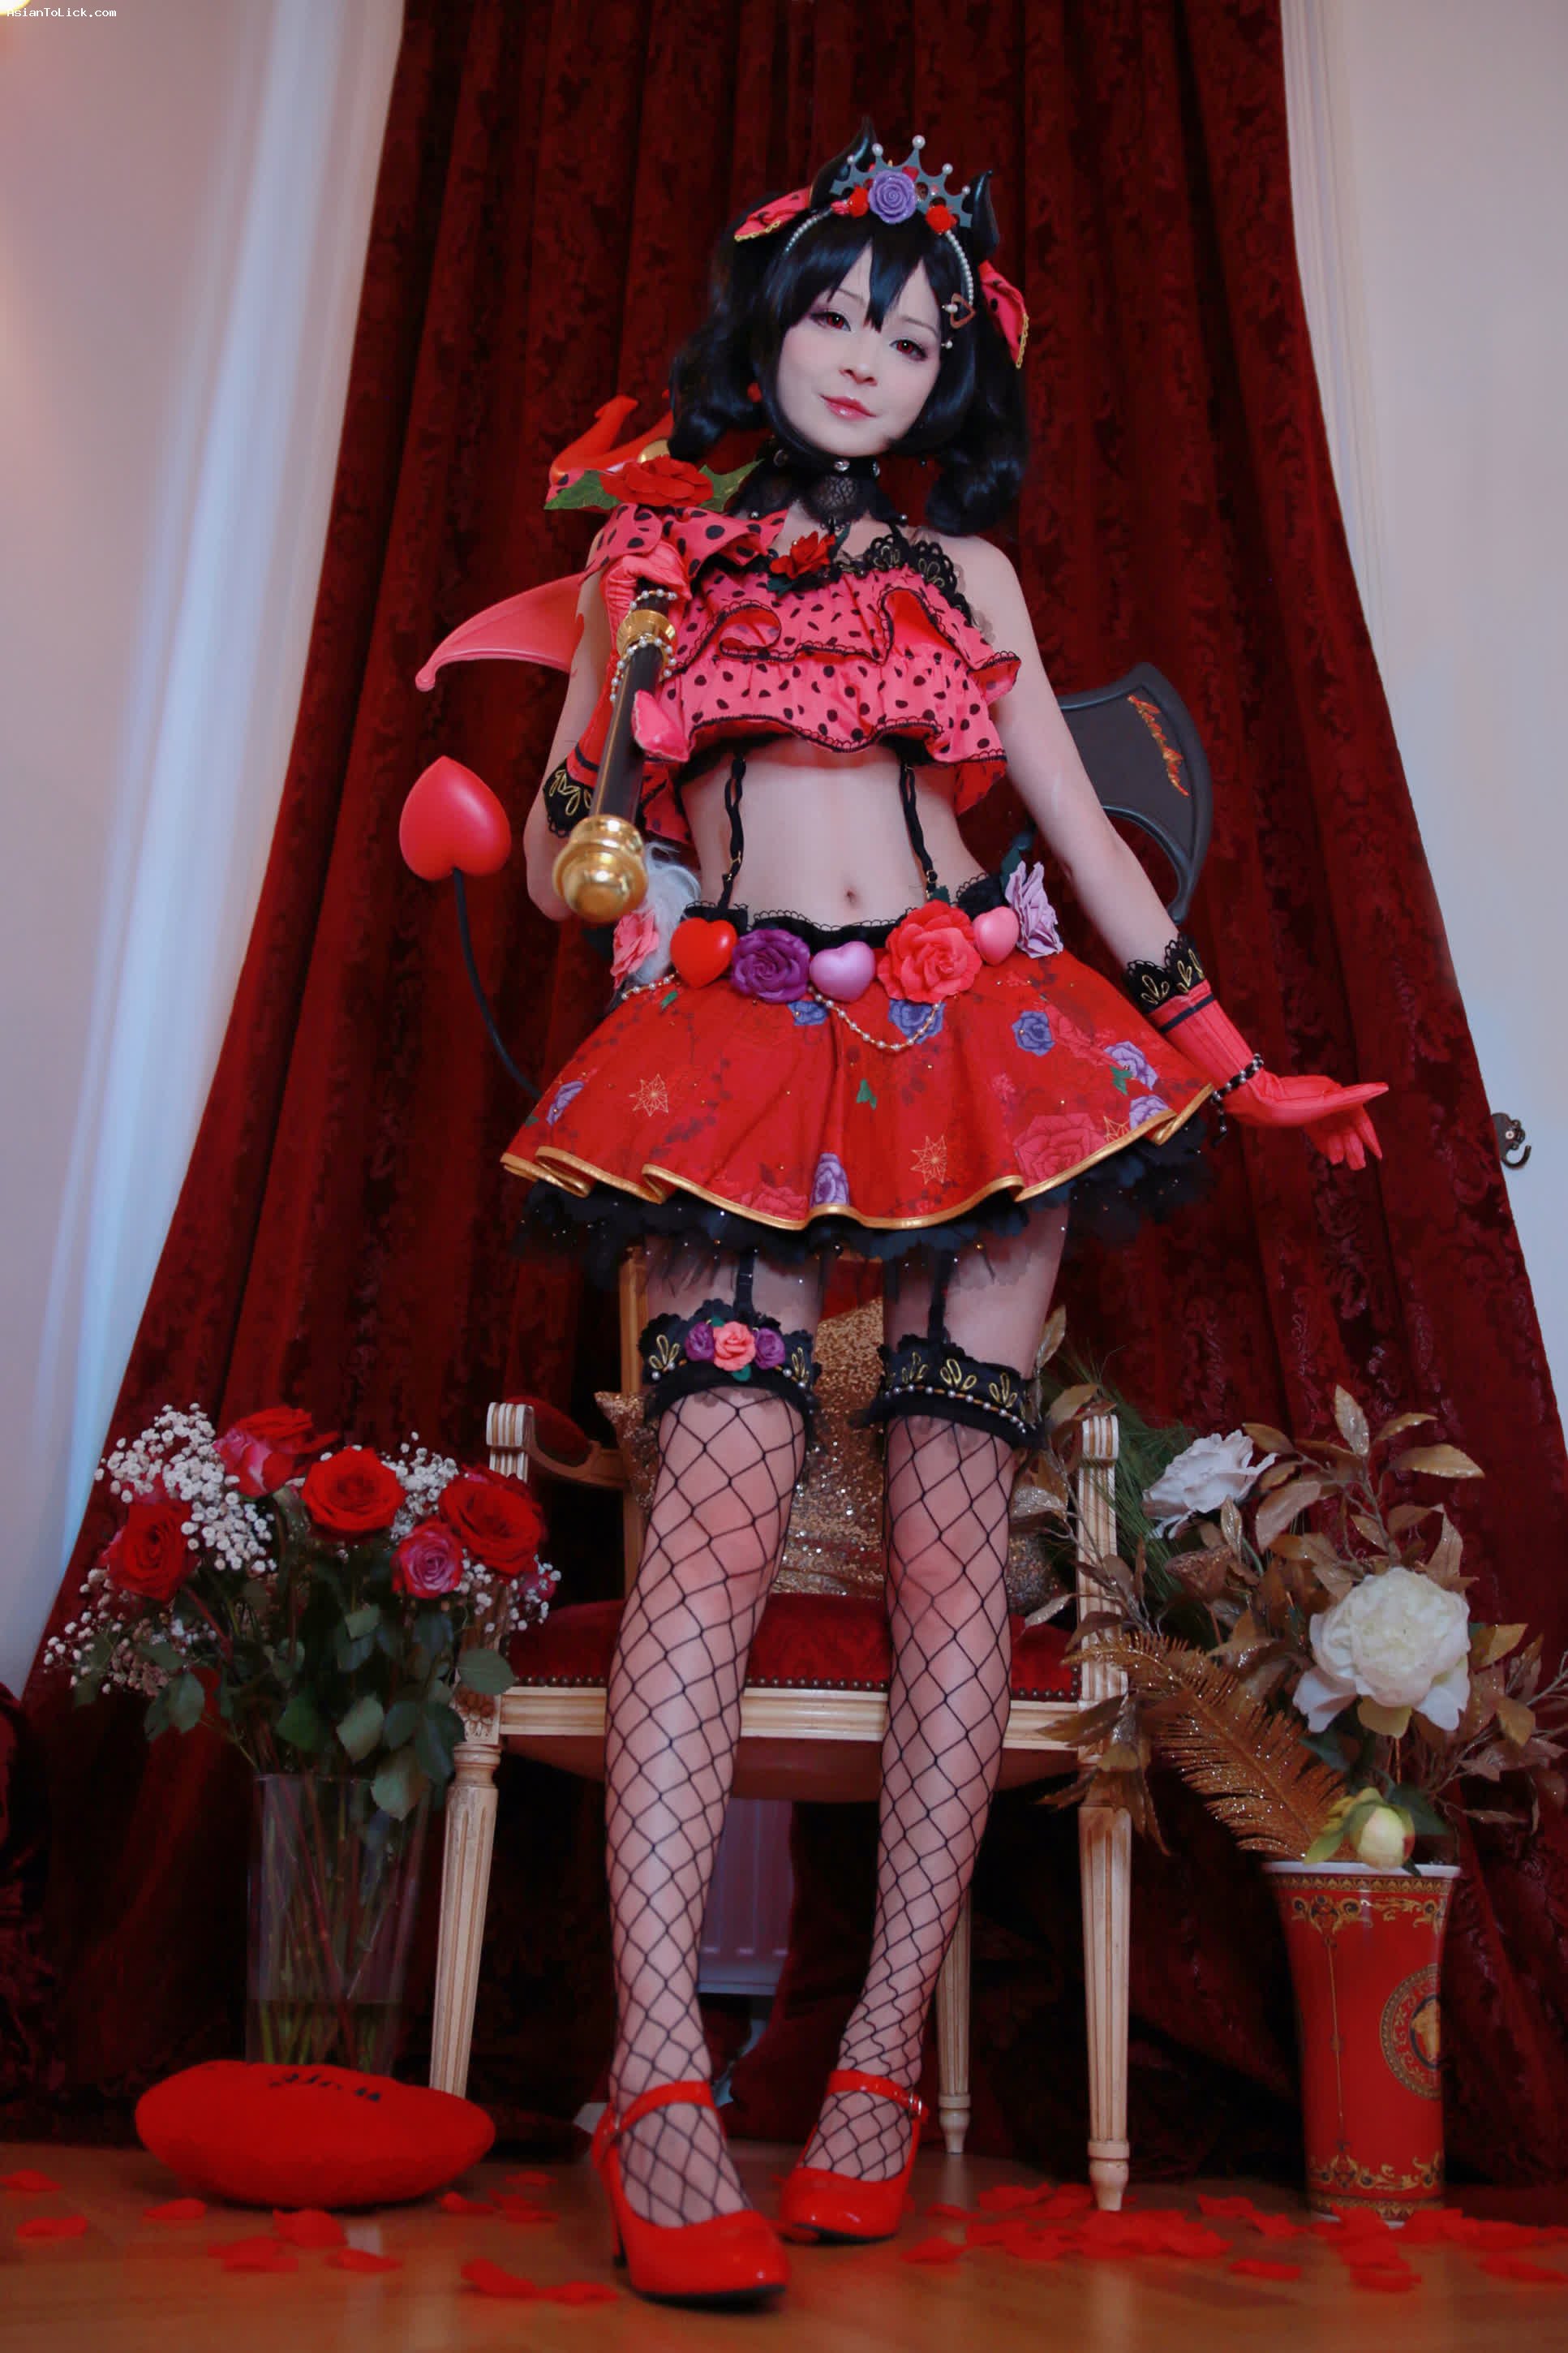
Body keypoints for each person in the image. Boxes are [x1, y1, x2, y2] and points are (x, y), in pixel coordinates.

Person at [441, 127, 1383, 2307]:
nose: (867, 352)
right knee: (709, 1523)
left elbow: (1082, 831)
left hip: (983, 1041)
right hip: (735, 1043)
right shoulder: (652, 560)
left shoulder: (971, 579)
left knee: (962, 1545)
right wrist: (593, 746)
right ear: (769, 329)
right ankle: (657, 2081)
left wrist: (1238, 1062)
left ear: (952, 373)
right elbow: (573, 863)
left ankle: (879, 2059)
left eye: (914, 330)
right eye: (836, 312)